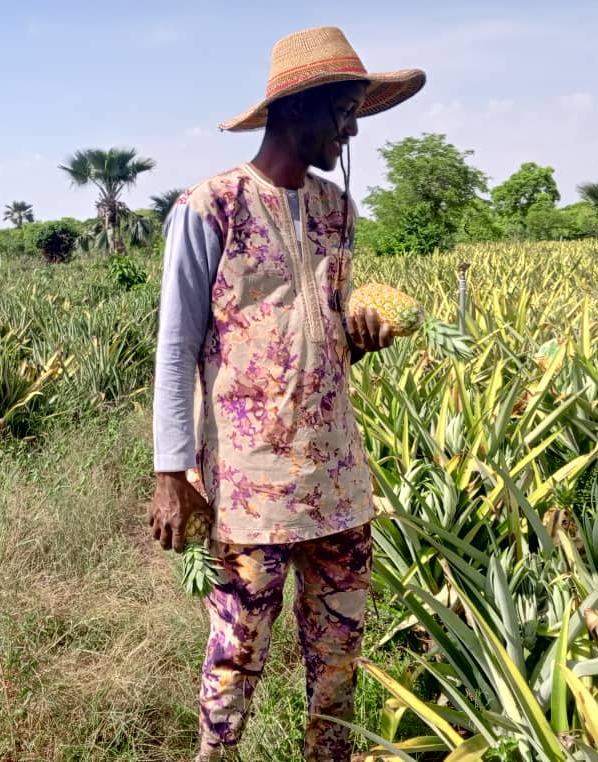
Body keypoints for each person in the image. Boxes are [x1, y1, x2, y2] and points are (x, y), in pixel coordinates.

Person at [149, 26, 425, 761]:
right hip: (251, 487)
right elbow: (176, 347)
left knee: (338, 664)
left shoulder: (339, 211)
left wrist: (357, 339)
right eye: (345, 108)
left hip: (339, 483)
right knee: (236, 660)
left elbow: (316, 345)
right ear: (299, 106)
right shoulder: (212, 206)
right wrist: (171, 474)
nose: (354, 126)